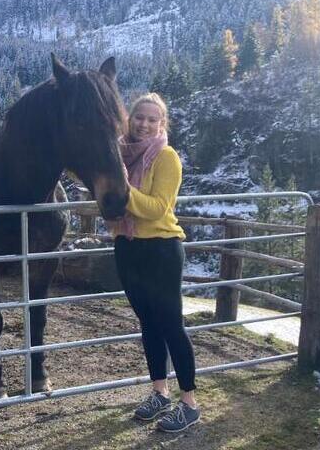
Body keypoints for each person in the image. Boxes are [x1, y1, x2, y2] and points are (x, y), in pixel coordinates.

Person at [111, 92, 199, 433]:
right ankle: (160, 392)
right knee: (148, 323)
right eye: (139, 117)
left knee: (171, 325)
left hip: (161, 248)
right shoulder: (119, 155)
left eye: (152, 119)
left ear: (162, 124)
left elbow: (157, 208)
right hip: (127, 247)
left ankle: (189, 402)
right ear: (129, 119)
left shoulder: (166, 157)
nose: (144, 124)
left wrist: (120, 186)